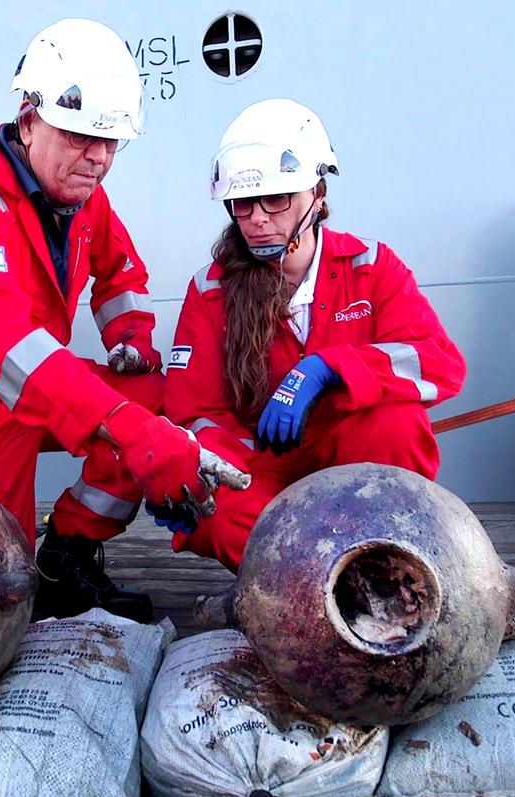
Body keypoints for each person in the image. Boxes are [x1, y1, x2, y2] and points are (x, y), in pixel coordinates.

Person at [0, 18, 209, 623]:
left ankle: (67, 554)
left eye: (112, 143)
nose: (99, 159)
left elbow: (121, 274)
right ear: (29, 118)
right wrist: (125, 427)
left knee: (150, 392)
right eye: (81, 138)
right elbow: (9, 349)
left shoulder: (84, 197)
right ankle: (21, 571)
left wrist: (131, 340)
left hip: (39, 387)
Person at [158, 98, 467, 572]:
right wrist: (224, 466)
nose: (258, 217)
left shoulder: (371, 266)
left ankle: (374, 560)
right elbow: (192, 411)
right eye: (243, 203)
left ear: (317, 195)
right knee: (214, 514)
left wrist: (328, 369)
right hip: (261, 465)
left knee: (397, 423)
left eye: (277, 199)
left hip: (352, 457)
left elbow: (439, 363)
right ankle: (332, 582)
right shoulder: (211, 290)